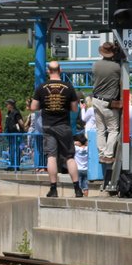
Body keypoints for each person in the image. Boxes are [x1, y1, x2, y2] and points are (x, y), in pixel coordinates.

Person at [30, 61, 84, 198]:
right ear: (60, 69)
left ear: (48, 71)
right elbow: (74, 109)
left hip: (48, 126)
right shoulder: (68, 87)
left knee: (51, 156)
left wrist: (45, 104)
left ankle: (53, 189)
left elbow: (33, 107)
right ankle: (77, 189)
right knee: (69, 157)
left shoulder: (42, 87)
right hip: (64, 126)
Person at [90, 41, 122, 177]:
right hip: (109, 102)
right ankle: (109, 154)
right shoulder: (117, 67)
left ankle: (102, 153)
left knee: (100, 129)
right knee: (113, 129)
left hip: (96, 99)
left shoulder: (95, 65)